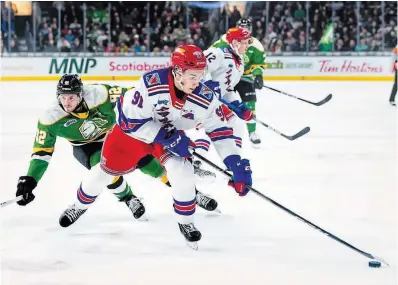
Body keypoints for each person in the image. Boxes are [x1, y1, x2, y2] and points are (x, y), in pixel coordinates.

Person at [59, 45, 253, 248]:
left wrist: (235, 162)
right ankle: (79, 205)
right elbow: (129, 121)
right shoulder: (151, 84)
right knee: (103, 173)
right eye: (193, 76)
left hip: (169, 136)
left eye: (200, 75)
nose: (198, 82)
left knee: (182, 170)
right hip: (131, 136)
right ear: (178, 72)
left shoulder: (204, 96)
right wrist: (167, 137)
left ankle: (186, 222)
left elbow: (219, 130)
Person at [15, 74, 218, 224]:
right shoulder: (50, 119)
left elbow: (134, 98)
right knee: (101, 169)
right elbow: (42, 153)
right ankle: (129, 198)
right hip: (86, 147)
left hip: (116, 136)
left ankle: (192, 193)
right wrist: (31, 179)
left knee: (151, 165)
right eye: (63, 97)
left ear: (81, 94)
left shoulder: (100, 94)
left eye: (72, 97)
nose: (67, 102)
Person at [211, 19, 266, 146]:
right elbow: (209, 57)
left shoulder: (256, 45)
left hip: (245, 78)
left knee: (250, 104)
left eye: (247, 28)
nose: (245, 30)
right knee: (223, 106)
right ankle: (223, 132)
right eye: (242, 28)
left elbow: (259, 63)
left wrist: (258, 75)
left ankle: (252, 132)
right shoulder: (225, 41)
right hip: (227, 78)